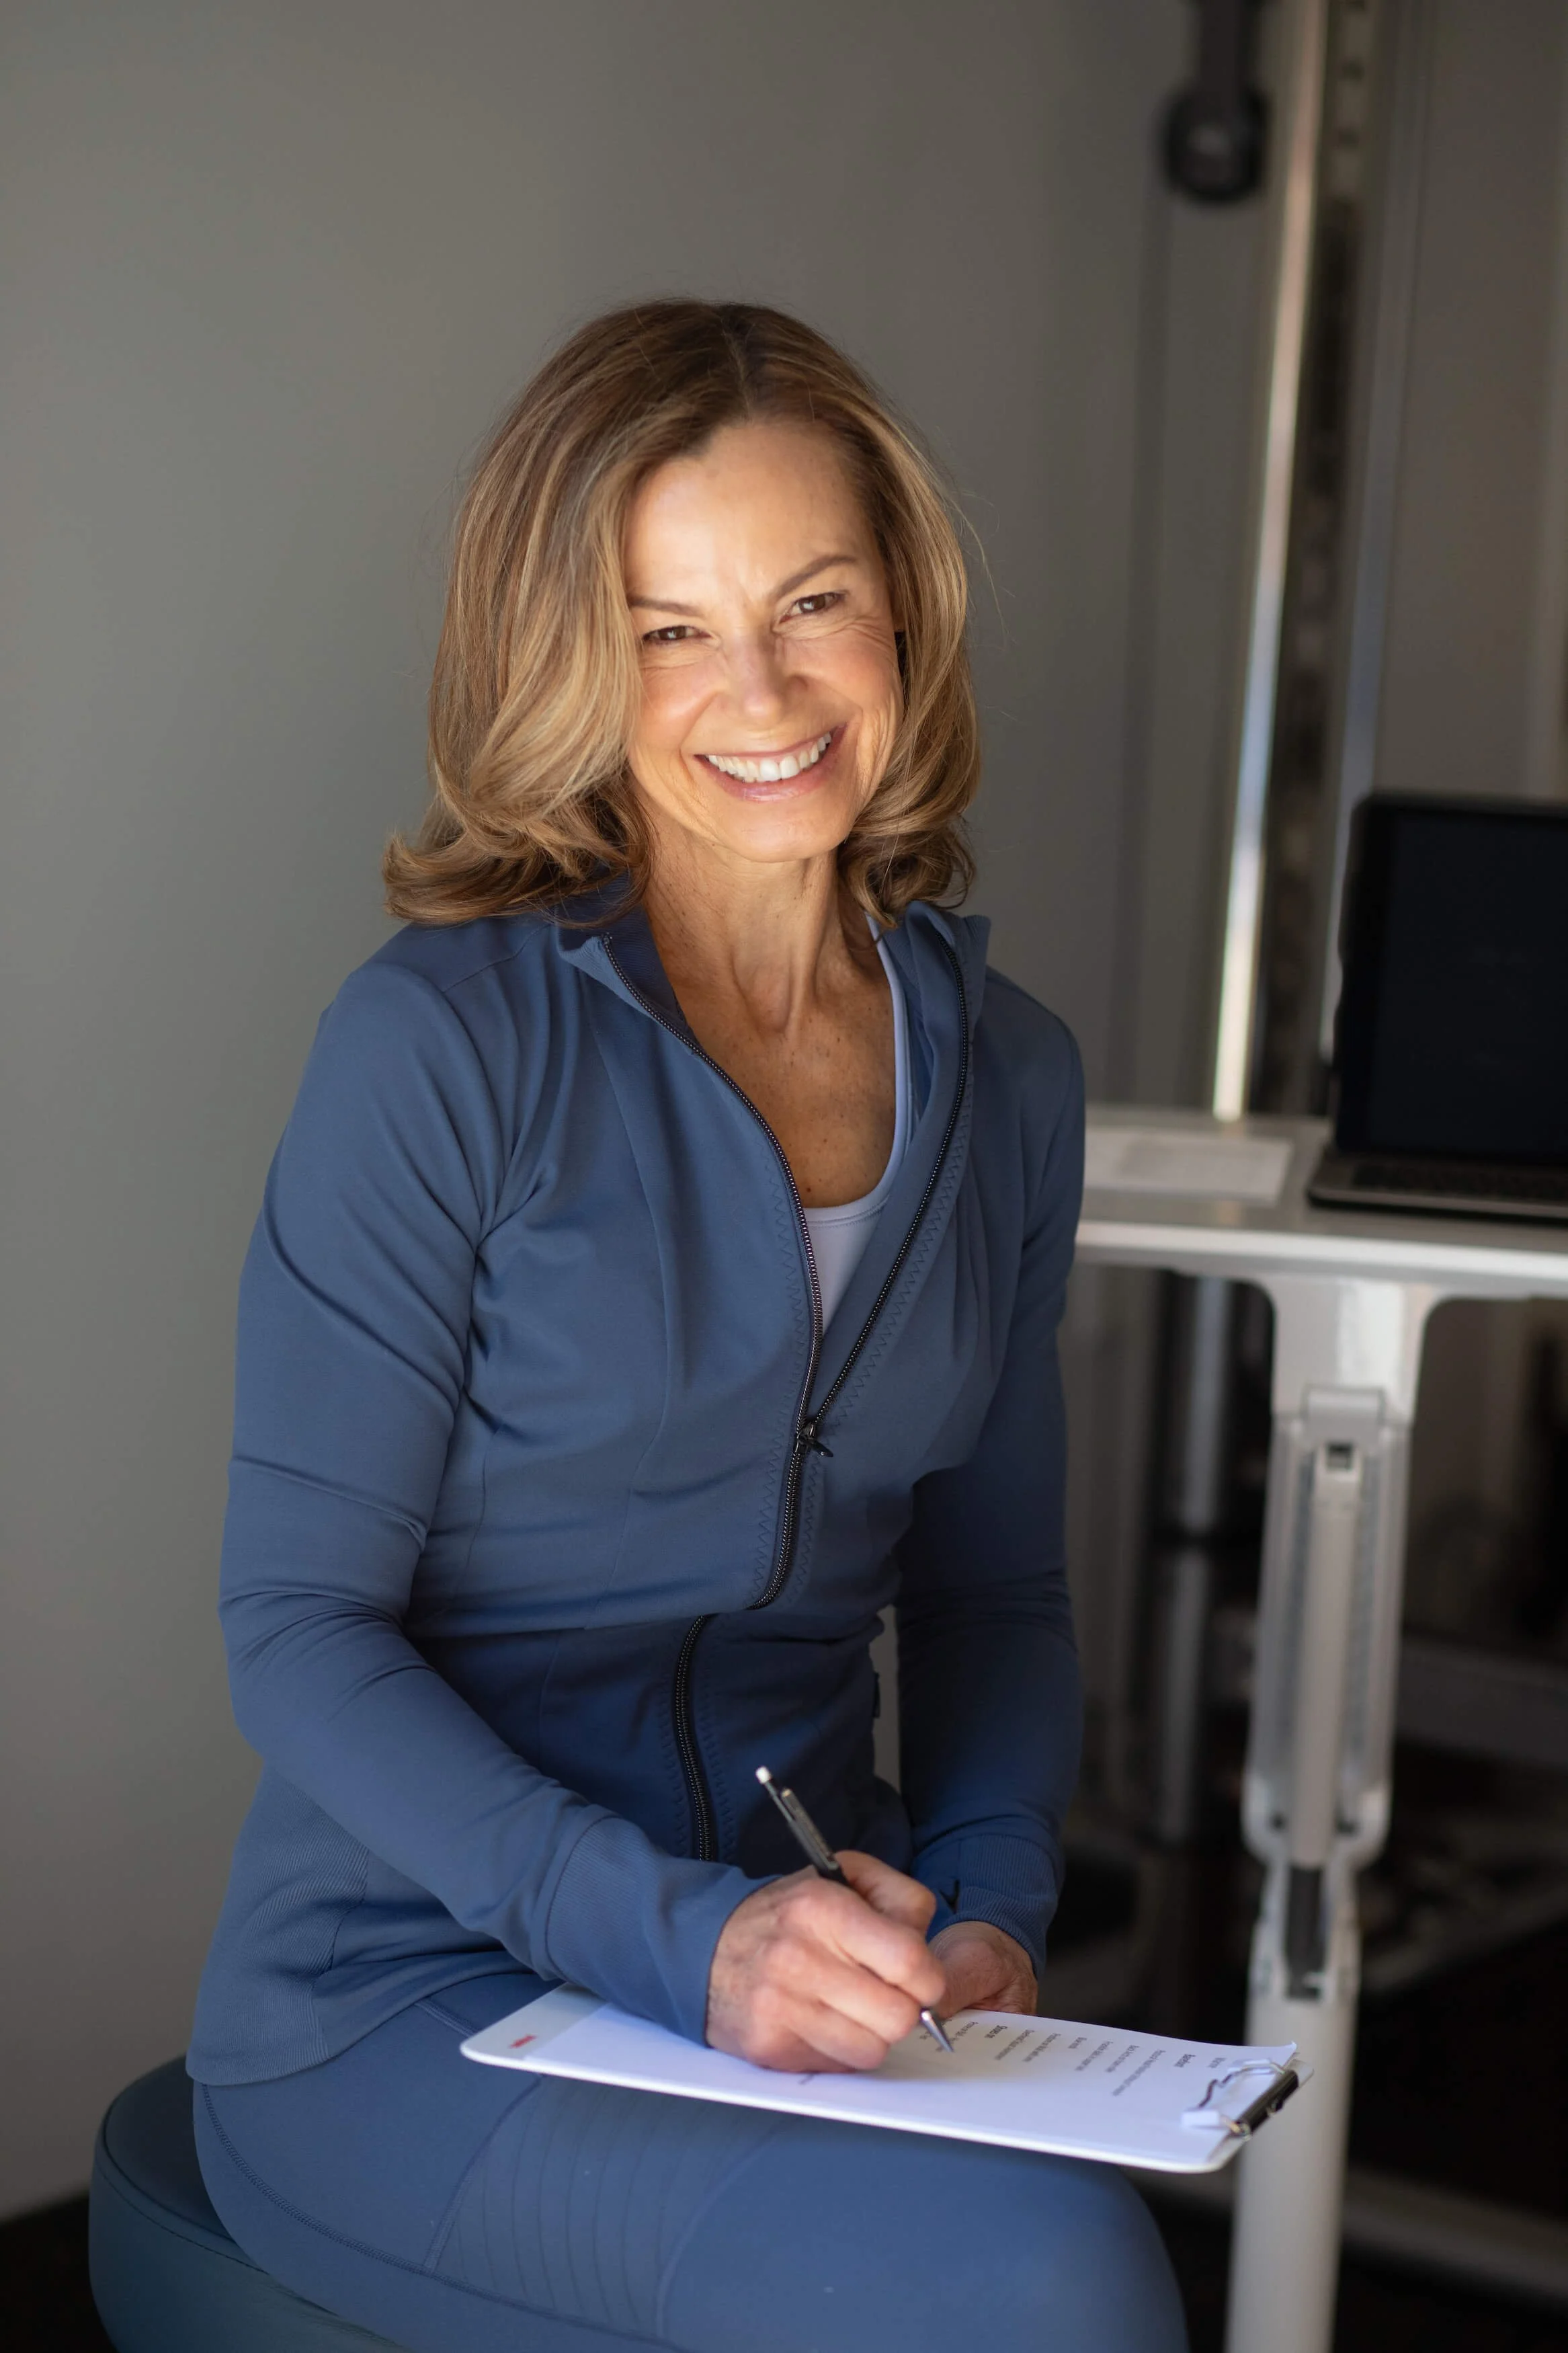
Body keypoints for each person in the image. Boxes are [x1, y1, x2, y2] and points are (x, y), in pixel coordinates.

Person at [188, 298, 1186, 2353]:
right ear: (571, 661)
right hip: (406, 1991)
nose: (759, 687)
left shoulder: (1006, 1076)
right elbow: (295, 1627)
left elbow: (995, 1598)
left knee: (1071, 2261)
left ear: (902, 613)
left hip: (818, 1970)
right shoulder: (436, 1044)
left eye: (812, 599)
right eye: (667, 627)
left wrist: (990, 1912)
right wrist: (680, 1934)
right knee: (1045, 2289)